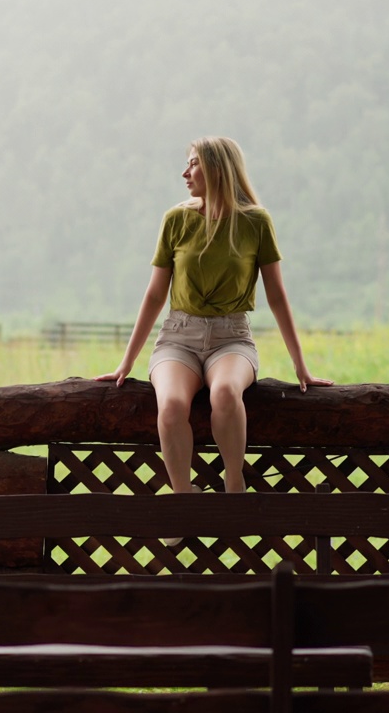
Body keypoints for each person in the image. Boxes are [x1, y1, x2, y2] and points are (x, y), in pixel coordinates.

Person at [95, 136, 332, 503]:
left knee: (224, 392)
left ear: (218, 168)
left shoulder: (256, 222)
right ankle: (182, 499)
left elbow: (278, 296)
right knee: (171, 404)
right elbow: (156, 294)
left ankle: (233, 488)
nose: (184, 172)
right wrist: (125, 363)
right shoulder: (176, 219)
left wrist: (302, 368)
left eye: (193, 163)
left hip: (231, 338)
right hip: (177, 338)